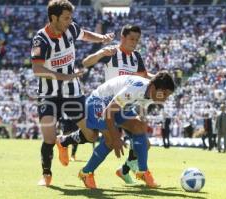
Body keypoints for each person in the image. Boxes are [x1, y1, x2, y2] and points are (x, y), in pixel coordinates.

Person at [31, 0, 114, 187]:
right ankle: (46, 175)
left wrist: (101, 38)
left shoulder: (71, 29)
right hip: (48, 94)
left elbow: (84, 34)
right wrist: (63, 76)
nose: (70, 21)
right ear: (54, 18)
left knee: (92, 135)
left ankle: (65, 141)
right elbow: (37, 69)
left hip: (73, 92)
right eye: (66, 18)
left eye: (71, 18)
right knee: (48, 138)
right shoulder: (40, 39)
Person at [57, 25, 154, 184]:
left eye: (137, 40)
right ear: (122, 38)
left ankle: (126, 170)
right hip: (105, 102)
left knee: (143, 140)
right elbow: (86, 62)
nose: (134, 42)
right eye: (131, 39)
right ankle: (80, 163)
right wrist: (101, 53)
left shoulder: (136, 56)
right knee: (99, 137)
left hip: (124, 104)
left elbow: (144, 76)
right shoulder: (112, 52)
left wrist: (160, 78)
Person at [77, 72, 175, 189]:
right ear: (154, 87)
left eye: (167, 96)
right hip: (99, 102)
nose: (164, 99)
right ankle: (86, 173)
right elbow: (109, 112)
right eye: (163, 94)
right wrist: (117, 138)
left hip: (118, 106)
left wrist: (141, 137)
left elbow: (139, 116)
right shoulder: (135, 89)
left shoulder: (151, 94)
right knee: (110, 140)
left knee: (139, 127)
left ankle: (142, 171)